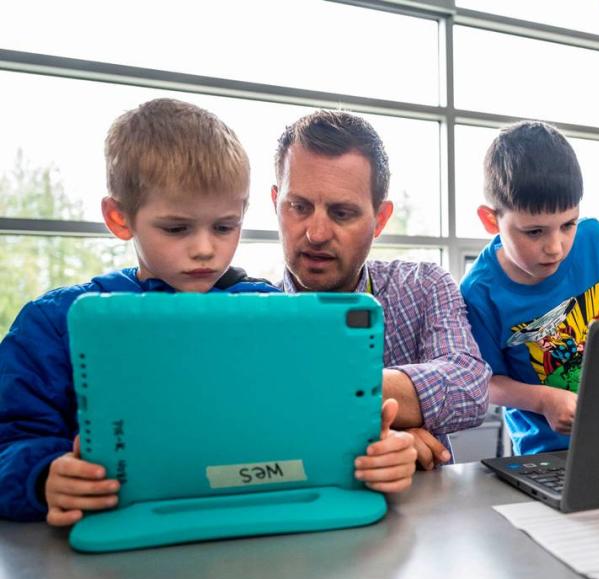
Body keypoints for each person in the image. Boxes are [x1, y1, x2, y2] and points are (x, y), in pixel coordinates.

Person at [0, 99, 416, 526]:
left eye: (224, 226)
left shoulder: (275, 313)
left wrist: (381, 451)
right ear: (119, 217)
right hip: (118, 555)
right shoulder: (52, 324)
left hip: (266, 535)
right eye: (177, 228)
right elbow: (9, 444)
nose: (205, 249)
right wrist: (44, 476)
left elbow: (321, 432)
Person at [272, 110, 490, 470]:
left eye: (342, 213)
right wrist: (384, 428)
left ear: (380, 220)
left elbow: (469, 387)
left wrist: (303, 393)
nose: (316, 233)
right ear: (276, 203)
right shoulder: (245, 306)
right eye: (299, 207)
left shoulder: (423, 286)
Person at [459, 121, 599, 455]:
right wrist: (543, 400)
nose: (556, 247)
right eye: (534, 232)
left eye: (568, 224)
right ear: (491, 221)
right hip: (547, 454)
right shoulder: (479, 292)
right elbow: (486, 383)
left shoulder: (595, 238)